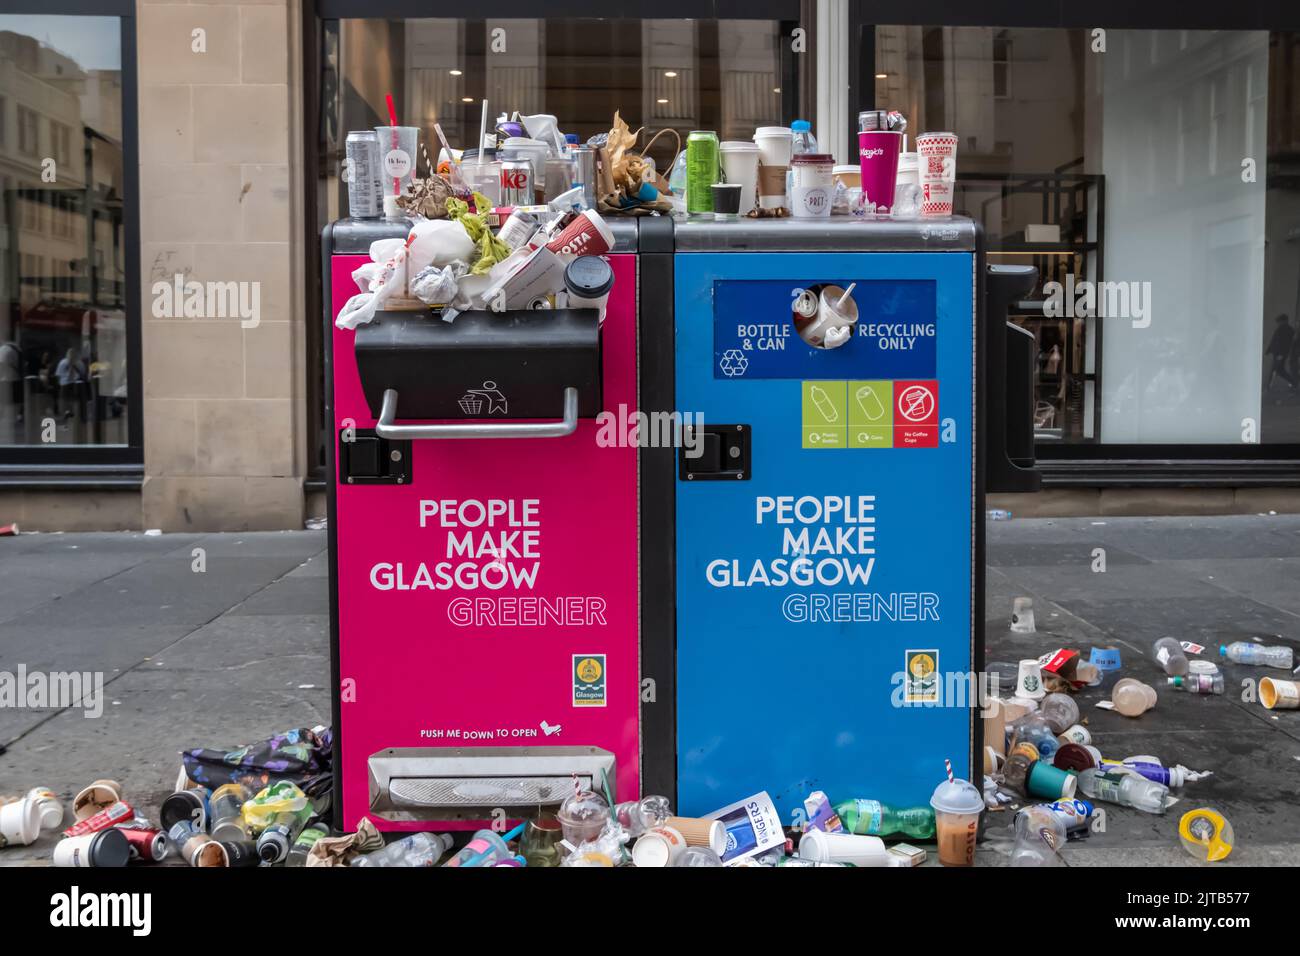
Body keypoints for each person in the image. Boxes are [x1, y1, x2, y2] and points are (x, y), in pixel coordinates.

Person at [1265, 314, 1297, 389]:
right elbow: (1275, 340)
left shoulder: (1286, 329)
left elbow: (1283, 343)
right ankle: (1293, 383)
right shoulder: (1286, 329)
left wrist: (1280, 354)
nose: (1278, 323)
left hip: (1280, 354)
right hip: (1279, 354)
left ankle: (1268, 387)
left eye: (1279, 321)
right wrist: (1269, 350)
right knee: (1278, 370)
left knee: (1276, 369)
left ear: (1284, 321)